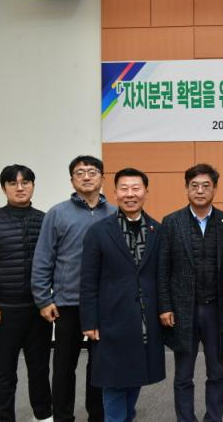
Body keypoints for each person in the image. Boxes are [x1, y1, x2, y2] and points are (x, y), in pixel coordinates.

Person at [31, 155, 115, 422]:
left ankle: (97, 416)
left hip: (104, 304)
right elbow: (43, 258)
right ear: (72, 180)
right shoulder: (57, 213)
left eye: (92, 171)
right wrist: (43, 299)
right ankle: (63, 417)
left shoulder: (114, 213)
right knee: (64, 367)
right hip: (67, 303)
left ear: (102, 177)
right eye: (80, 173)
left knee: (99, 366)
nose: (86, 176)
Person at [80, 168, 165, 422]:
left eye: (136, 188)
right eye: (124, 189)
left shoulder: (157, 230)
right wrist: (89, 321)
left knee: (136, 376)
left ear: (146, 192)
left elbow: (161, 275)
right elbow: (88, 280)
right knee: (114, 382)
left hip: (145, 318)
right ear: (115, 192)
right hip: (111, 318)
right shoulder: (98, 231)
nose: (130, 194)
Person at [158, 164, 223, 422]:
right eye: (194, 186)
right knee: (183, 374)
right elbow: (162, 269)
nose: (200, 191)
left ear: (215, 189)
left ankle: (214, 418)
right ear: (186, 188)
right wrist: (165, 306)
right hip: (183, 311)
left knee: (217, 372)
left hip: (216, 310)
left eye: (206, 186)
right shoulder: (171, 222)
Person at [0, 165, 52, 422]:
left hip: (39, 309)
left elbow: (55, 262)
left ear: (33, 185)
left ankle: (43, 416)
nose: (20, 188)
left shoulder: (45, 219)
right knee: (4, 372)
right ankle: (4, 418)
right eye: (13, 183)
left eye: (25, 182)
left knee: (40, 369)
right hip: (5, 309)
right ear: (4, 188)